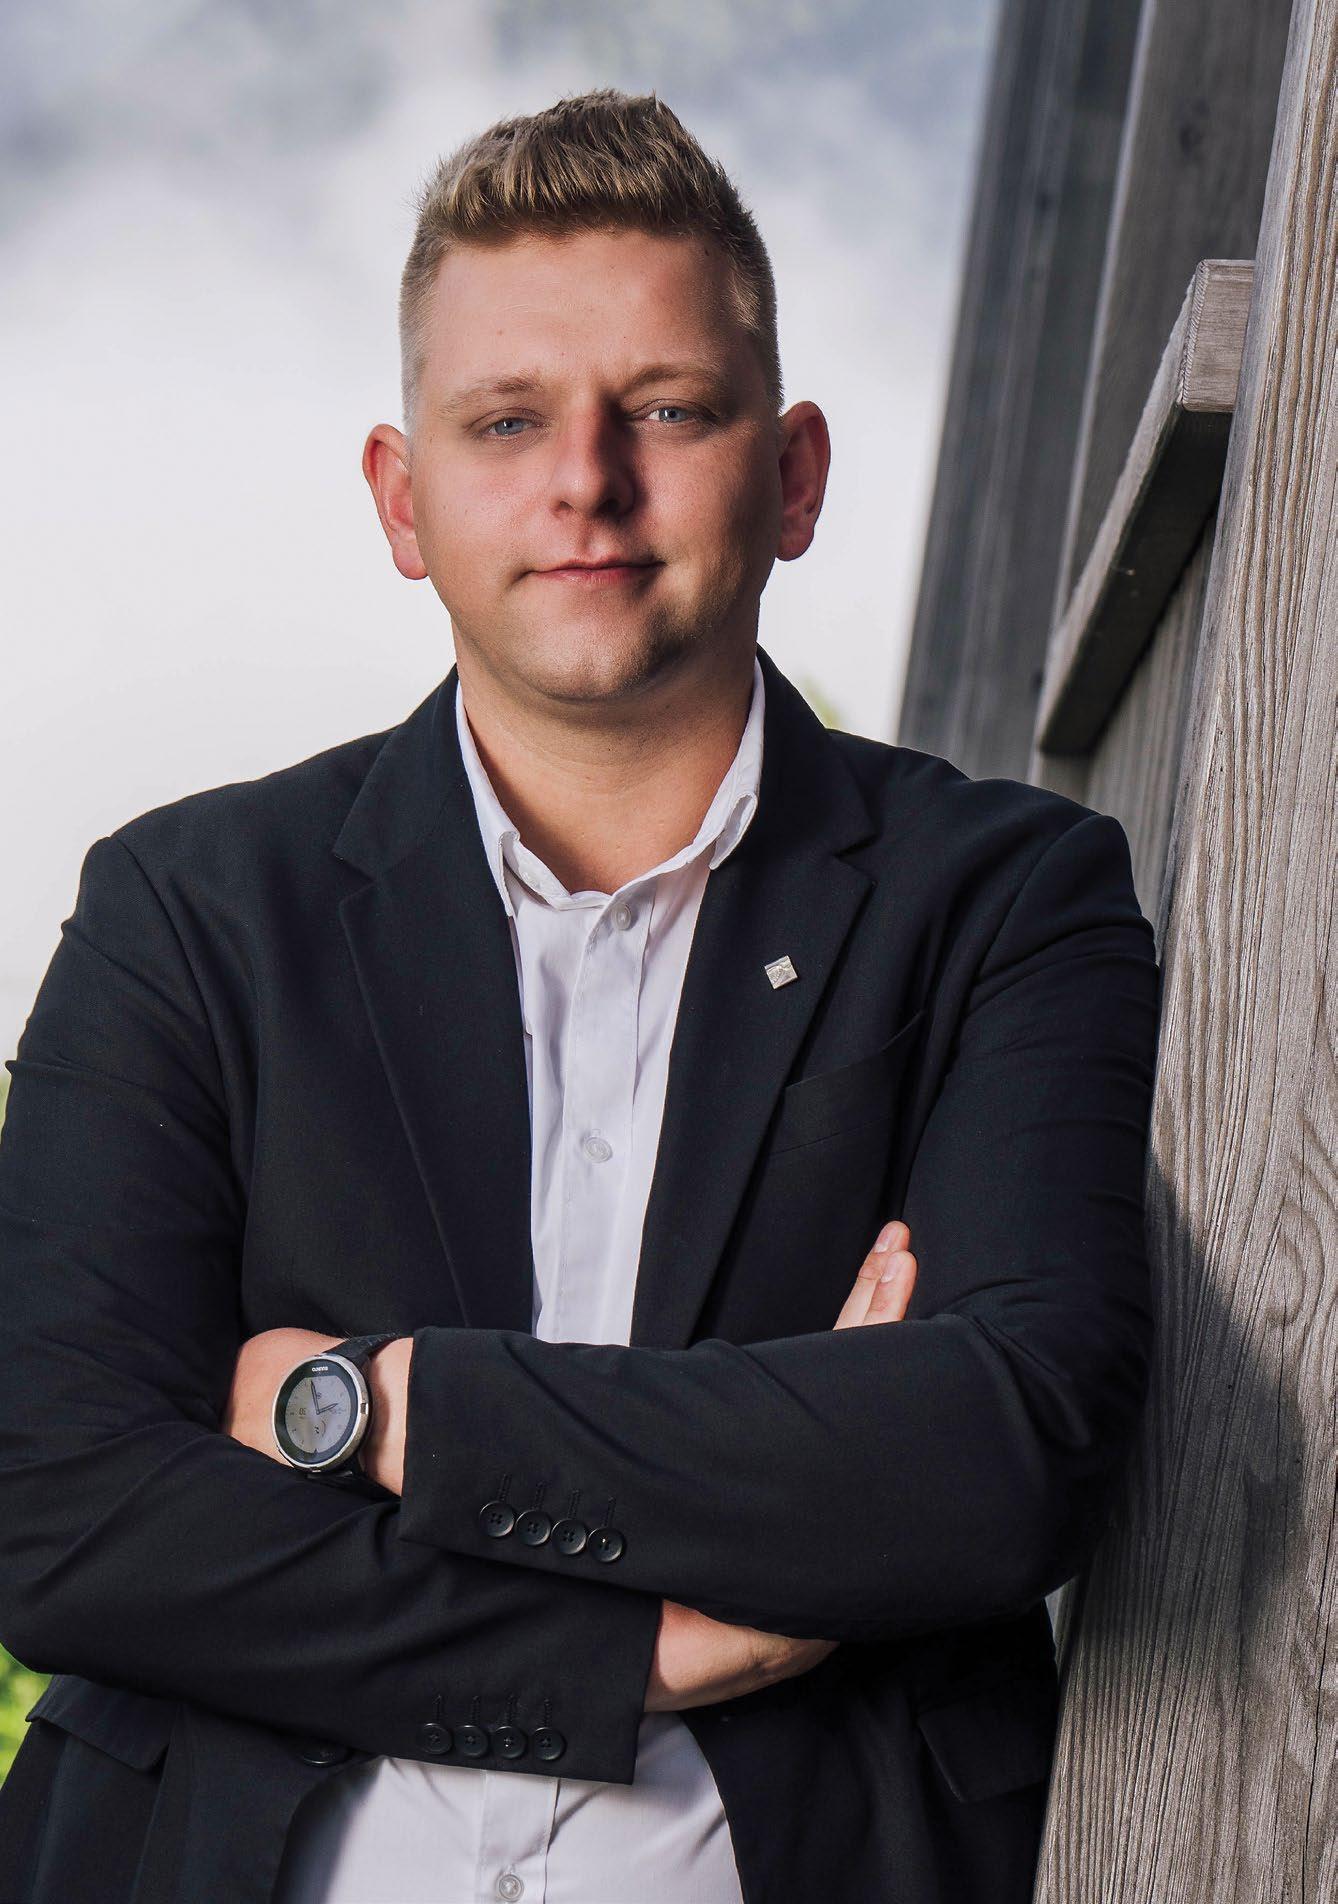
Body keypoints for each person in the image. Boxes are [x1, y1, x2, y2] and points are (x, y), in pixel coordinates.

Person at [0, 88, 1161, 1904]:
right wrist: (631, 1651)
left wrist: (388, 1411)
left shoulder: (1006, 898)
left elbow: (1000, 1457)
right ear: (404, 500)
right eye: (506, 421)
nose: (585, 483)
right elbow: (59, 1506)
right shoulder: (189, 907)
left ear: (792, 474)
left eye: (669, 409)